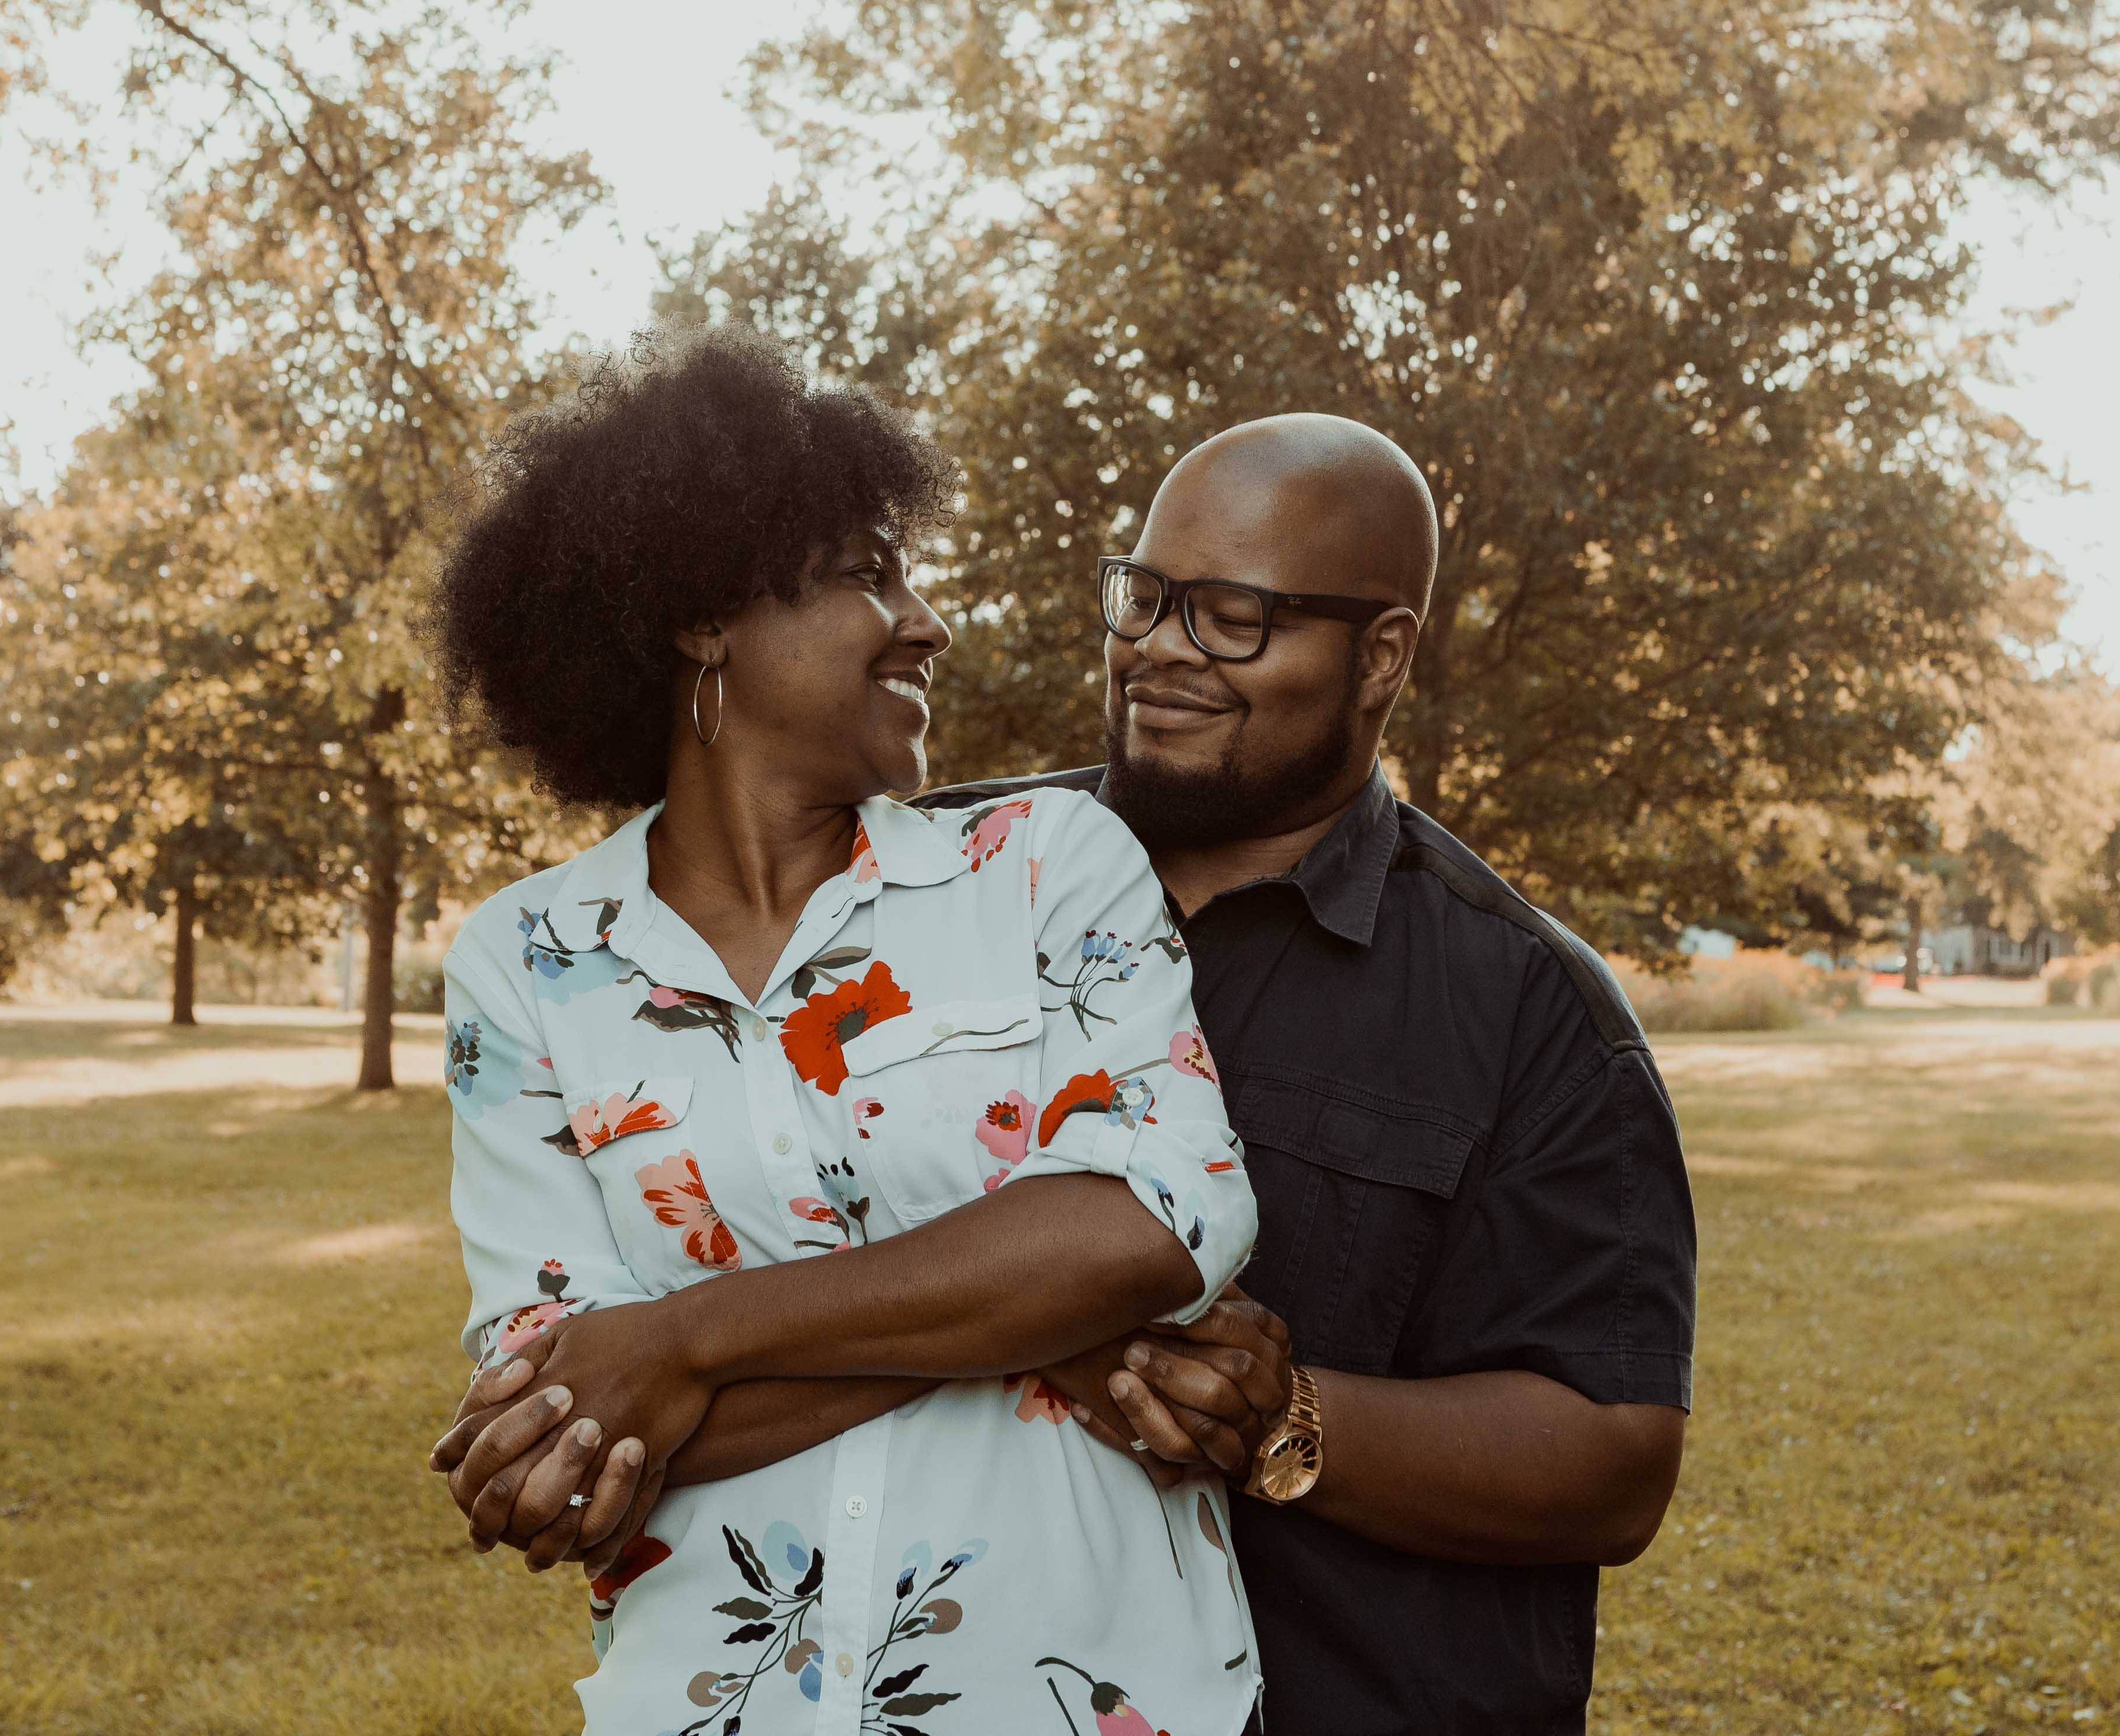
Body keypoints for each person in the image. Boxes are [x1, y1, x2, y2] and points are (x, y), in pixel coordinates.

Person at [422, 327, 1263, 1736]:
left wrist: (688, 1342)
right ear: (703, 612)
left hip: (1093, 1701)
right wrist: (1019, 1314)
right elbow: (568, 1423)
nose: (928, 619)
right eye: (873, 574)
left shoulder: (1048, 865)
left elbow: (1160, 1228)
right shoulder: (527, 966)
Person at [918, 415, 1698, 1736]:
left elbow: (1613, 1463)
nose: (1161, 649)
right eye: (1147, 598)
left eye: (1234, 615)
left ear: (1382, 655)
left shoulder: (1529, 1008)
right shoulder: (941, 879)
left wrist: (1289, 1418)